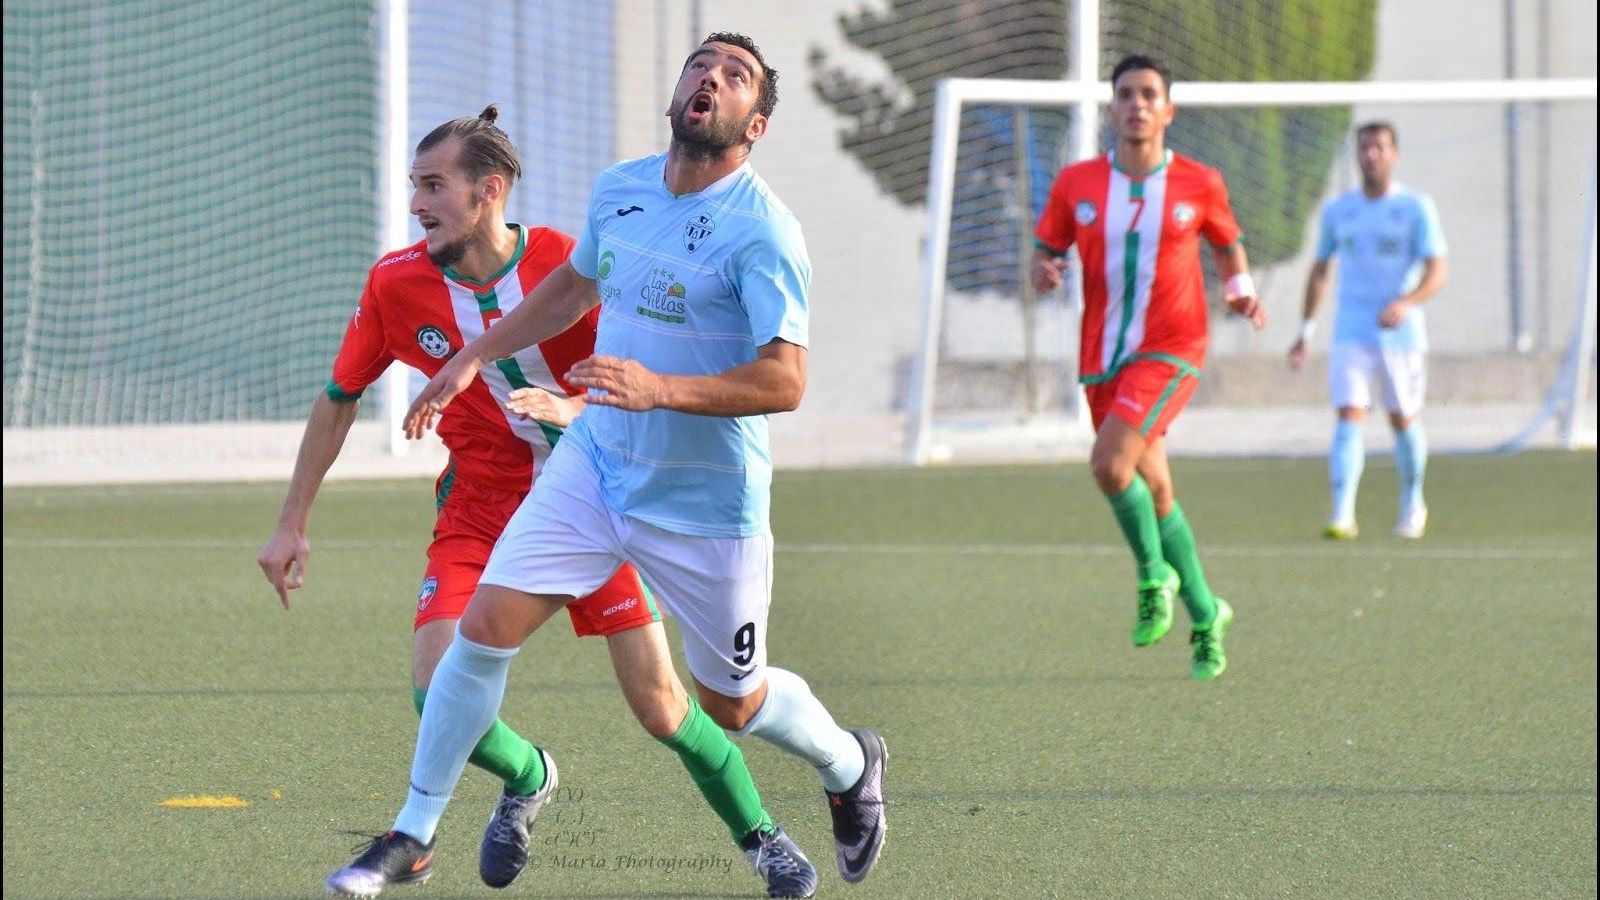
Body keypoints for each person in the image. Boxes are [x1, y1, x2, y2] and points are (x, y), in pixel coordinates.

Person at [325, 34, 886, 899]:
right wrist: (475, 354)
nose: (711, 77)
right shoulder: (621, 188)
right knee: (481, 633)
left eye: (735, 76)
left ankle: (848, 763)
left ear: (755, 125)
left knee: (730, 702)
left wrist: (658, 388)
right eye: (701, 64)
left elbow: (787, 380)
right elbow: (573, 288)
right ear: (679, 91)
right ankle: (413, 832)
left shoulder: (764, 230)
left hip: (704, 501)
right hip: (593, 470)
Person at [1031, 54, 1267, 682]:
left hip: (1172, 348)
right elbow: (1046, 248)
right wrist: (1043, 270)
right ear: (1112, 109)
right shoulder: (1077, 183)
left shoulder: (1199, 182)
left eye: (1148, 94)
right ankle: (1207, 613)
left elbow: (1227, 244)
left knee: (1110, 466)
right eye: (1126, 94)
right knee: (1155, 490)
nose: (1137, 104)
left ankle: (1151, 576)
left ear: (1168, 110)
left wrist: (1240, 290)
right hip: (1103, 357)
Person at [1289, 121, 1448, 540]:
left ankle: (1413, 502)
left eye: (1379, 147)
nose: (1371, 155)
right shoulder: (1339, 211)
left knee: (1402, 419)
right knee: (1348, 414)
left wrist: (1407, 302)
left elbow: (1437, 269)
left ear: (1394, 154)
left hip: (1401, 336)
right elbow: (1320, 270)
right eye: (1364, 147)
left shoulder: (1415, 207)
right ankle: (1343, 514)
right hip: (1351, 331)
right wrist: (1306, 330)